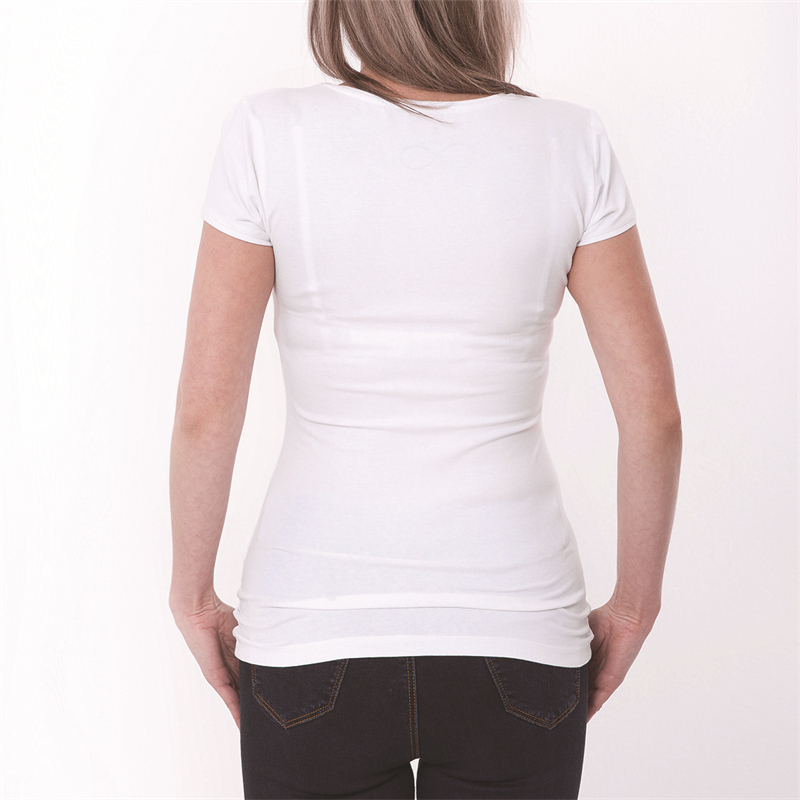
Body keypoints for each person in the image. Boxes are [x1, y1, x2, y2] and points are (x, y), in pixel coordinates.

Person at [169, 0, 682, 797]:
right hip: (518, 632)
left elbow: (207, 411)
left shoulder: (269, 134)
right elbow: (653, 418)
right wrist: (635, 605)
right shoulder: (569, 141)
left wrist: (194, 594)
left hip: (313, 626)